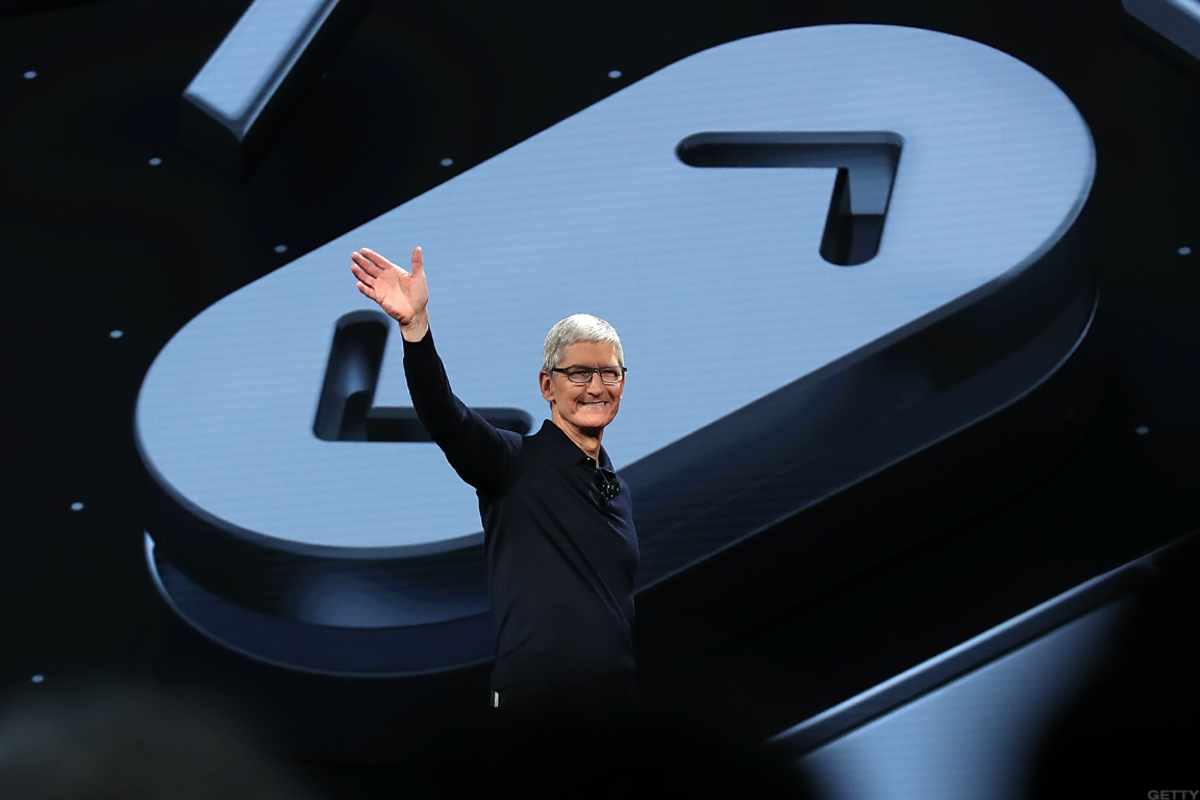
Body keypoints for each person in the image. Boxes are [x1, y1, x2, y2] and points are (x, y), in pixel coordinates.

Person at [349, 246, 639, 719]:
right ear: (547, 386)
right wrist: (416, 329)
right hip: (538, 700)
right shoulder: (513, 462)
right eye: (579, 373)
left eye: (609, 373)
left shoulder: (618, 491)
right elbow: (446, 417)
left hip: (615, 704)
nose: (596, 387)